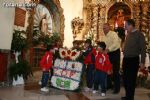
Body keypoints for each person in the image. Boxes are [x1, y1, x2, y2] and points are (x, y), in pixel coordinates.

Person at [122, 19, 146, 100]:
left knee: (131, 80)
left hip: (133, 60)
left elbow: (143, 49)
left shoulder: (139, 34)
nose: (124, 27)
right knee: (125, 79)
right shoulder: (128, 34)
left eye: (126, 25)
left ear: (131, 25)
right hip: (126, 59)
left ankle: (130, 97)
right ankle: (127, 95)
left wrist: (142, 62)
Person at [102, 23, 121, 94]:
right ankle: (109, 85)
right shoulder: (103, 37)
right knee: (107, 70)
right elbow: (103, 46)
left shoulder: (113, 34)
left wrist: (108, 49)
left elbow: (116, 44)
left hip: (115, 53)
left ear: (109, 28)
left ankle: (117, 88)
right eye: (103, 28)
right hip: (108, 53)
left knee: (116, 71)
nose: (104, 30)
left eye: (105, 28)